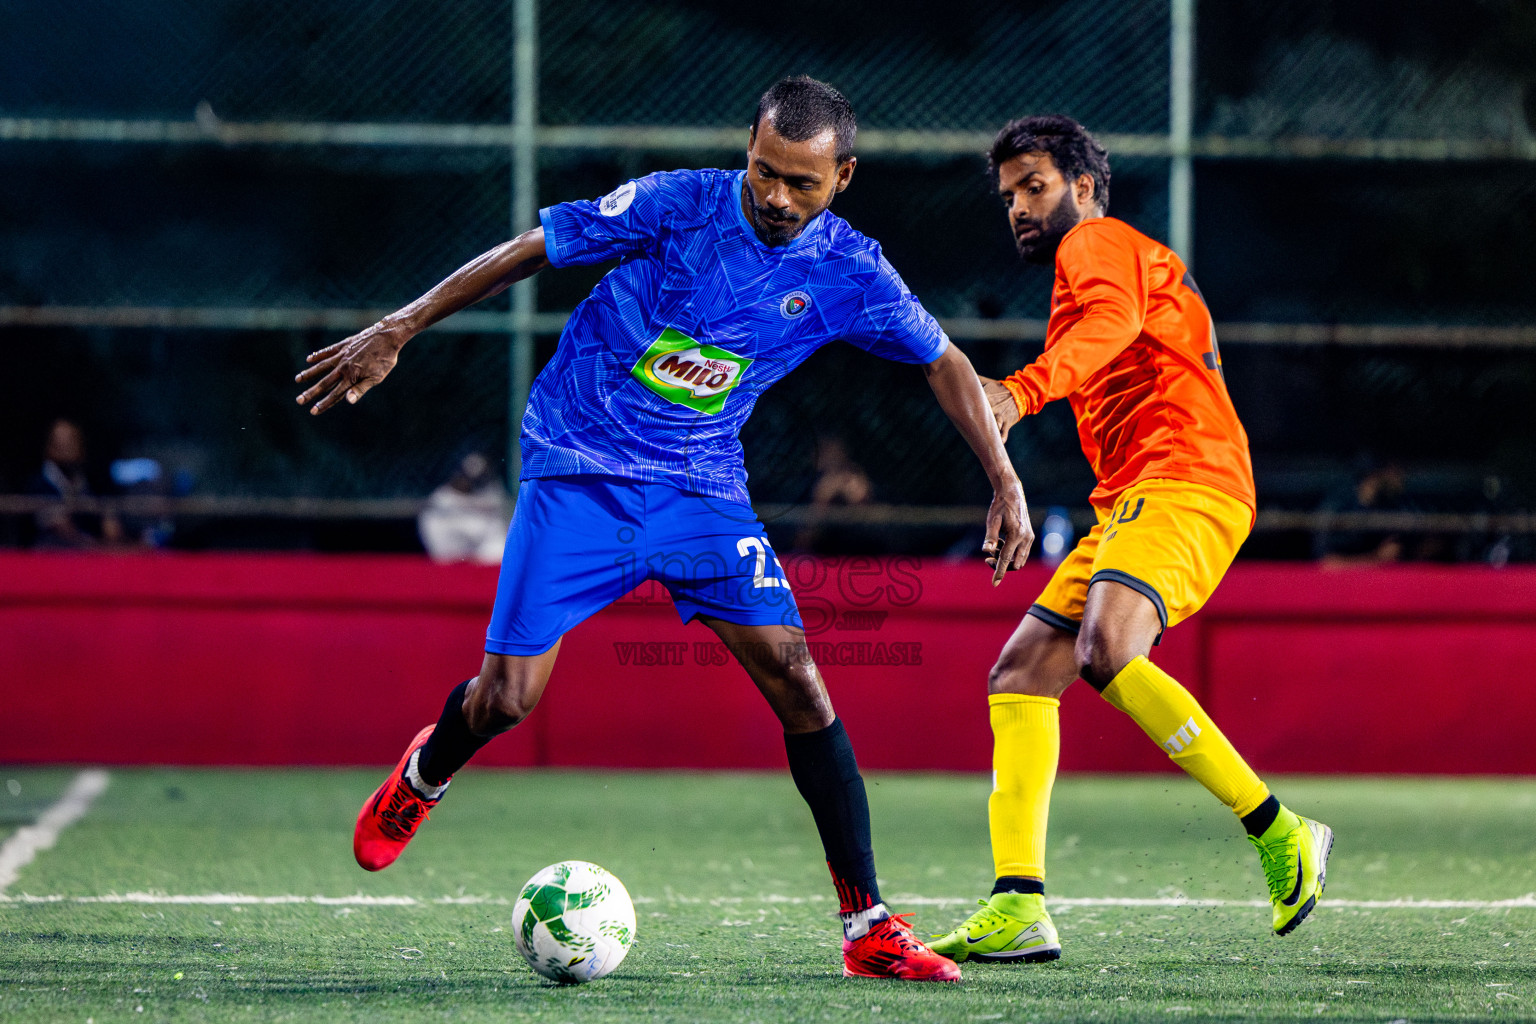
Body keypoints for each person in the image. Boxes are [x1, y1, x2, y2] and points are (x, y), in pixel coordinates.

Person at [295, 76, 1032, 983]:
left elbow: (946, 362)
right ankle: (424, 775)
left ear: (844, 177)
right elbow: (534, 248)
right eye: (763, 171)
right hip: (579, 470)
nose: (773, 196)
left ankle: (868, 927)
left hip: (701, 492)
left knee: (801, 679)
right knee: (509, 700)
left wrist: (1004, 478)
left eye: (800, 183)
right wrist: (400, 326)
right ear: (747, 151)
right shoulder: (676, 203)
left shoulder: (850, 270)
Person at [929, 116, 1333, 965]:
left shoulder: (1099, 244)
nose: (1018, 208)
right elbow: (1110, 342)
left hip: (1186, 479)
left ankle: (1280, 829)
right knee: (1021, 673)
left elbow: (1110, 324)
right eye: (1007, 197)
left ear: (1081, 185)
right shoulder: (1092, 266)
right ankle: (1018, 902)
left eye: (1033, 187)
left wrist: (1022, 391)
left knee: (1106, 648)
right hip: (1136, 498)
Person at [28, 417, 125, 548]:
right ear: (49, 448)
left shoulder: (88, 481)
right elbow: (60, 527)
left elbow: (108, 521)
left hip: (90, 555)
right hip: (51, 557)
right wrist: (96, 547)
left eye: (71, 442)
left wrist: (109, 525)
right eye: (60, 444)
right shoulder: (39, 484)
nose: (66, 449)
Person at [417, 452, 512, 564]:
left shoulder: (492, 491)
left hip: (480, 542)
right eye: (466, 477)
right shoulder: (443, 496)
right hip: (453, 539)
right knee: (432, 522)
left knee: (498, 540)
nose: (468, 483)